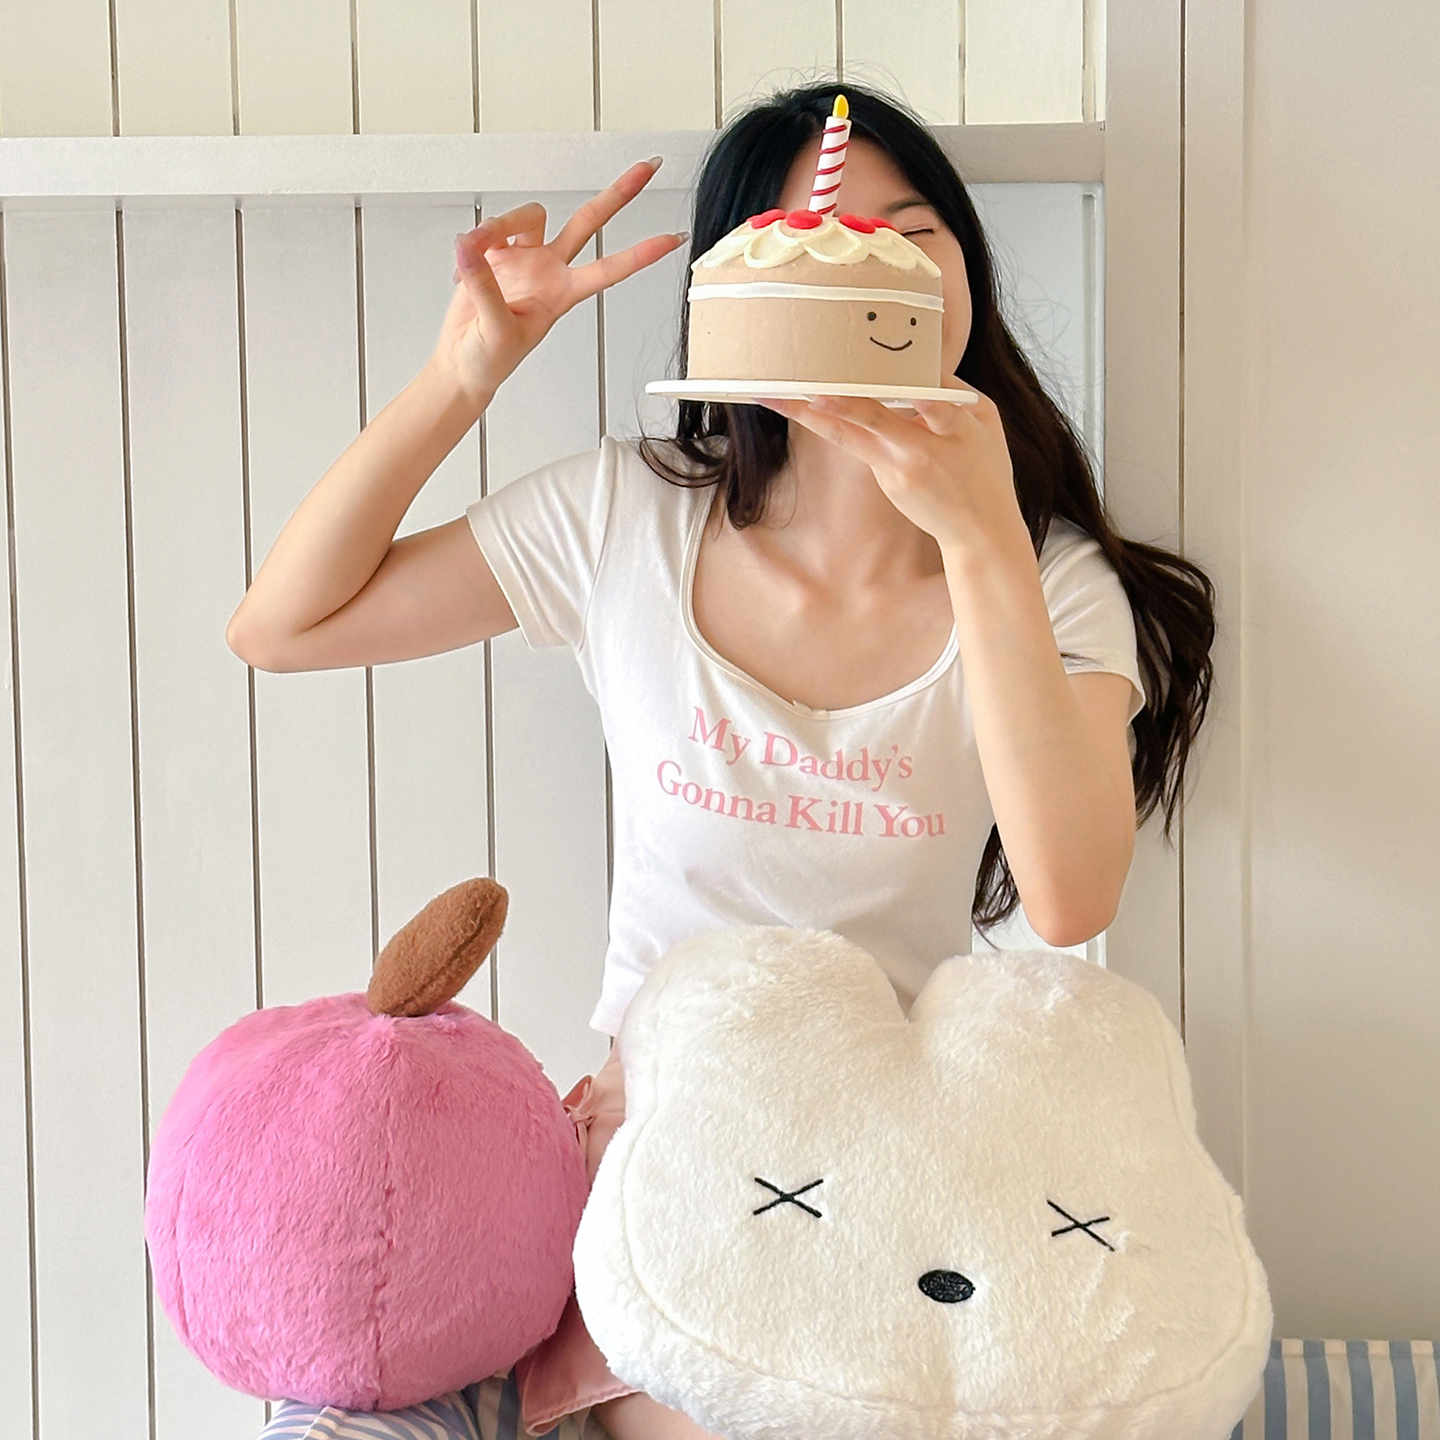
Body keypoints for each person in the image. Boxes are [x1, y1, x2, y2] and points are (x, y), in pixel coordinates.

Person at [229, 80, 1215, 1440]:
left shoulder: (1049, 580)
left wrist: (984, 536)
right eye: (815, 235)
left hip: (894, 1161)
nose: (866, 262)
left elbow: (1070, 894)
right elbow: (282, 627)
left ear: (962, 278)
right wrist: (466, 371)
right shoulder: (628, 514)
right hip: (664, 1142)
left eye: (911, 232)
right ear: (735, 293)